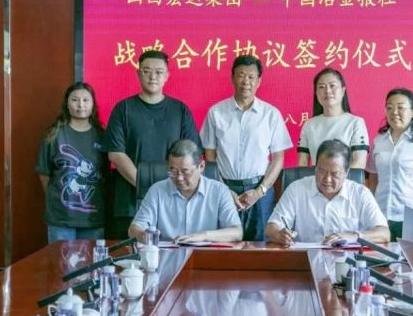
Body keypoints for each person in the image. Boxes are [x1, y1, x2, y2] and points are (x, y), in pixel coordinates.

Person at [104, 50, 202, 238]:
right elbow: (116, 153)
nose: (153, 76)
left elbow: (191, 153)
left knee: (172, 252)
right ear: (138, 74)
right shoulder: (123, 109)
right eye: (147, 71)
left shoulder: (180, 110)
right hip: (130, 202)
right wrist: (148, 189)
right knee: (129, 254)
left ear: (167, 75)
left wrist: (166, 189)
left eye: (158, 72)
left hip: (173, 200)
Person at [200, 55, 292, 241]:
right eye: (241, 75)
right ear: (232, 78)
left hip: (260, 190)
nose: (246, 81)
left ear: (259, 81)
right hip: (224, 189)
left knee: (262, 247)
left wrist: (260, 191)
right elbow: (210, 156)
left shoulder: (271, 114)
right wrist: (223, 190)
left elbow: (278, 158)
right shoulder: (216, 112)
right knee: (222, 246)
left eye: (251, 77)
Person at [266, 139, 389, 245]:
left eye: (335, 174)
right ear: (315, 167)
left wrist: (353, 236)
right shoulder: (296, 189)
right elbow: (271, 228)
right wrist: (280, 235)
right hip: (304, 260)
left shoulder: (360, 194)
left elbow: (384, 233)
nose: (327, 179)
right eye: (321, 171)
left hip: (347, 261)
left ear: (346, 172)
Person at [366, 87, 413, 241]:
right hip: (381, 215)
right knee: (381, 255)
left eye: (400, 107)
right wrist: (369, 209)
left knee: (410, 256)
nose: (394, 112)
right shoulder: (378, 140)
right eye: (389, 108)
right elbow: (373, 178)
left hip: (412, 215)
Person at [128, 139, 242, 243]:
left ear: (201, 166)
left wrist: (203, 236)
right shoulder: (157, 191)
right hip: (167, 255)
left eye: (185, 171)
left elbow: (237, 232)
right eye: (173, 171)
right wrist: (144, 235)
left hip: (205, 255)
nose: (179, 178)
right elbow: (134, 229)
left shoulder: (219, 191)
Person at [36, 82, 106, 243]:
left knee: (92, 259)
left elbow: (105, 176)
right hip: (60, 219)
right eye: (75, 100)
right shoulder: (54, 134)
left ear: (93, 104)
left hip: (93, 218)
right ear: (67, 104)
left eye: (86, 100)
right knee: (60, 260)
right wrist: (58, 200)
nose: (80, 104)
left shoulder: (102, 135)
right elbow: (44, 174)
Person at [297, 68, 369, 168]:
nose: (327, 91)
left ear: (343, 91)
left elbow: (358, 163)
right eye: (322, 87)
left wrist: (336, 178)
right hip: (314, 178)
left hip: (347, 178)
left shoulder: (355, 123)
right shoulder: (309, 125)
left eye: (332, 86)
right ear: (316, 93)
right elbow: (302, 163)